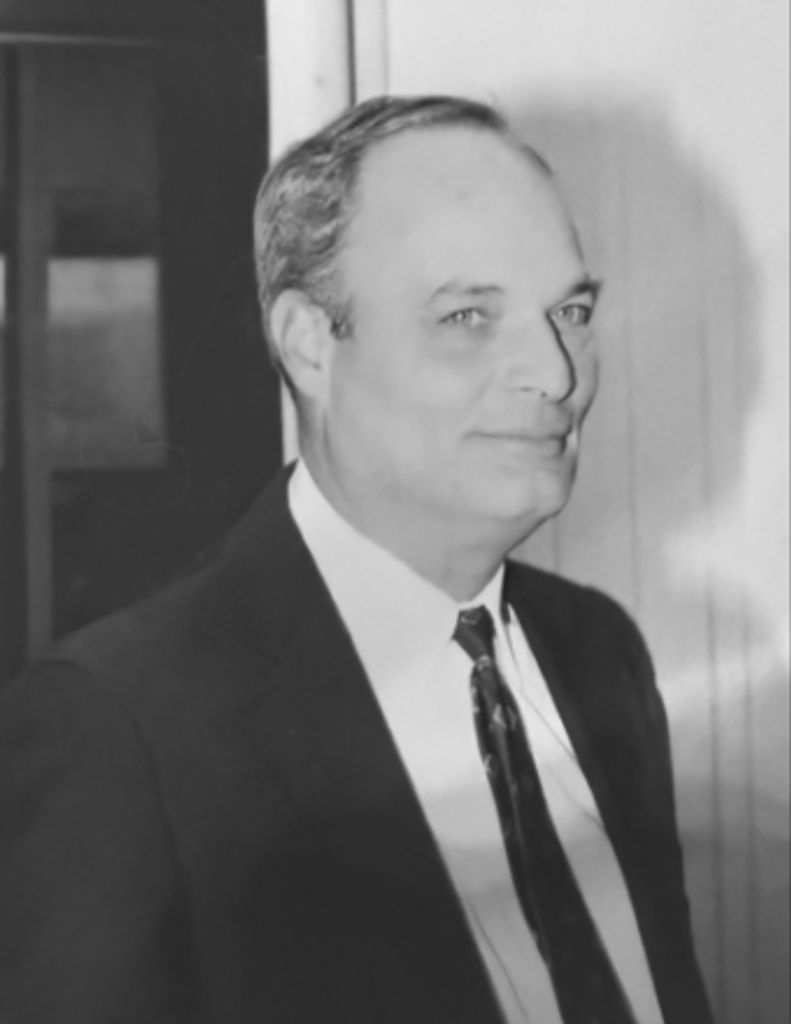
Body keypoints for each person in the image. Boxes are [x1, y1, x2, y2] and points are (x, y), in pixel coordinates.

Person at [0, 95, 713, 1024]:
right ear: (308, 344)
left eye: (568, 310)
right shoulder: (115, 730)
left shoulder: (598, 651)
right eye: (467, 315)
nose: (555, 374)